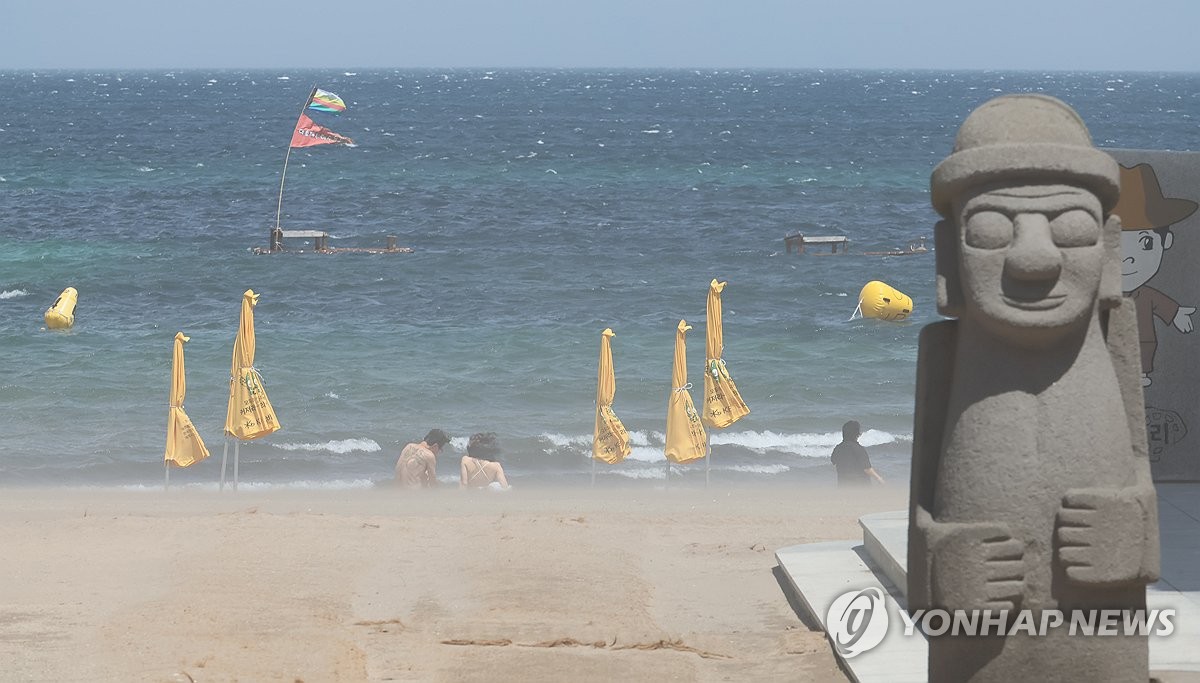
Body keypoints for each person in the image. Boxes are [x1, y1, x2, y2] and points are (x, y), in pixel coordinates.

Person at [830, 420, 883, 487]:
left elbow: (833, 462)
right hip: (860, 486)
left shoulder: (838, 448)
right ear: (857, 434)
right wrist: (879, 479)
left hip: (843, 485)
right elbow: (867, 469)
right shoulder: (859, 449)